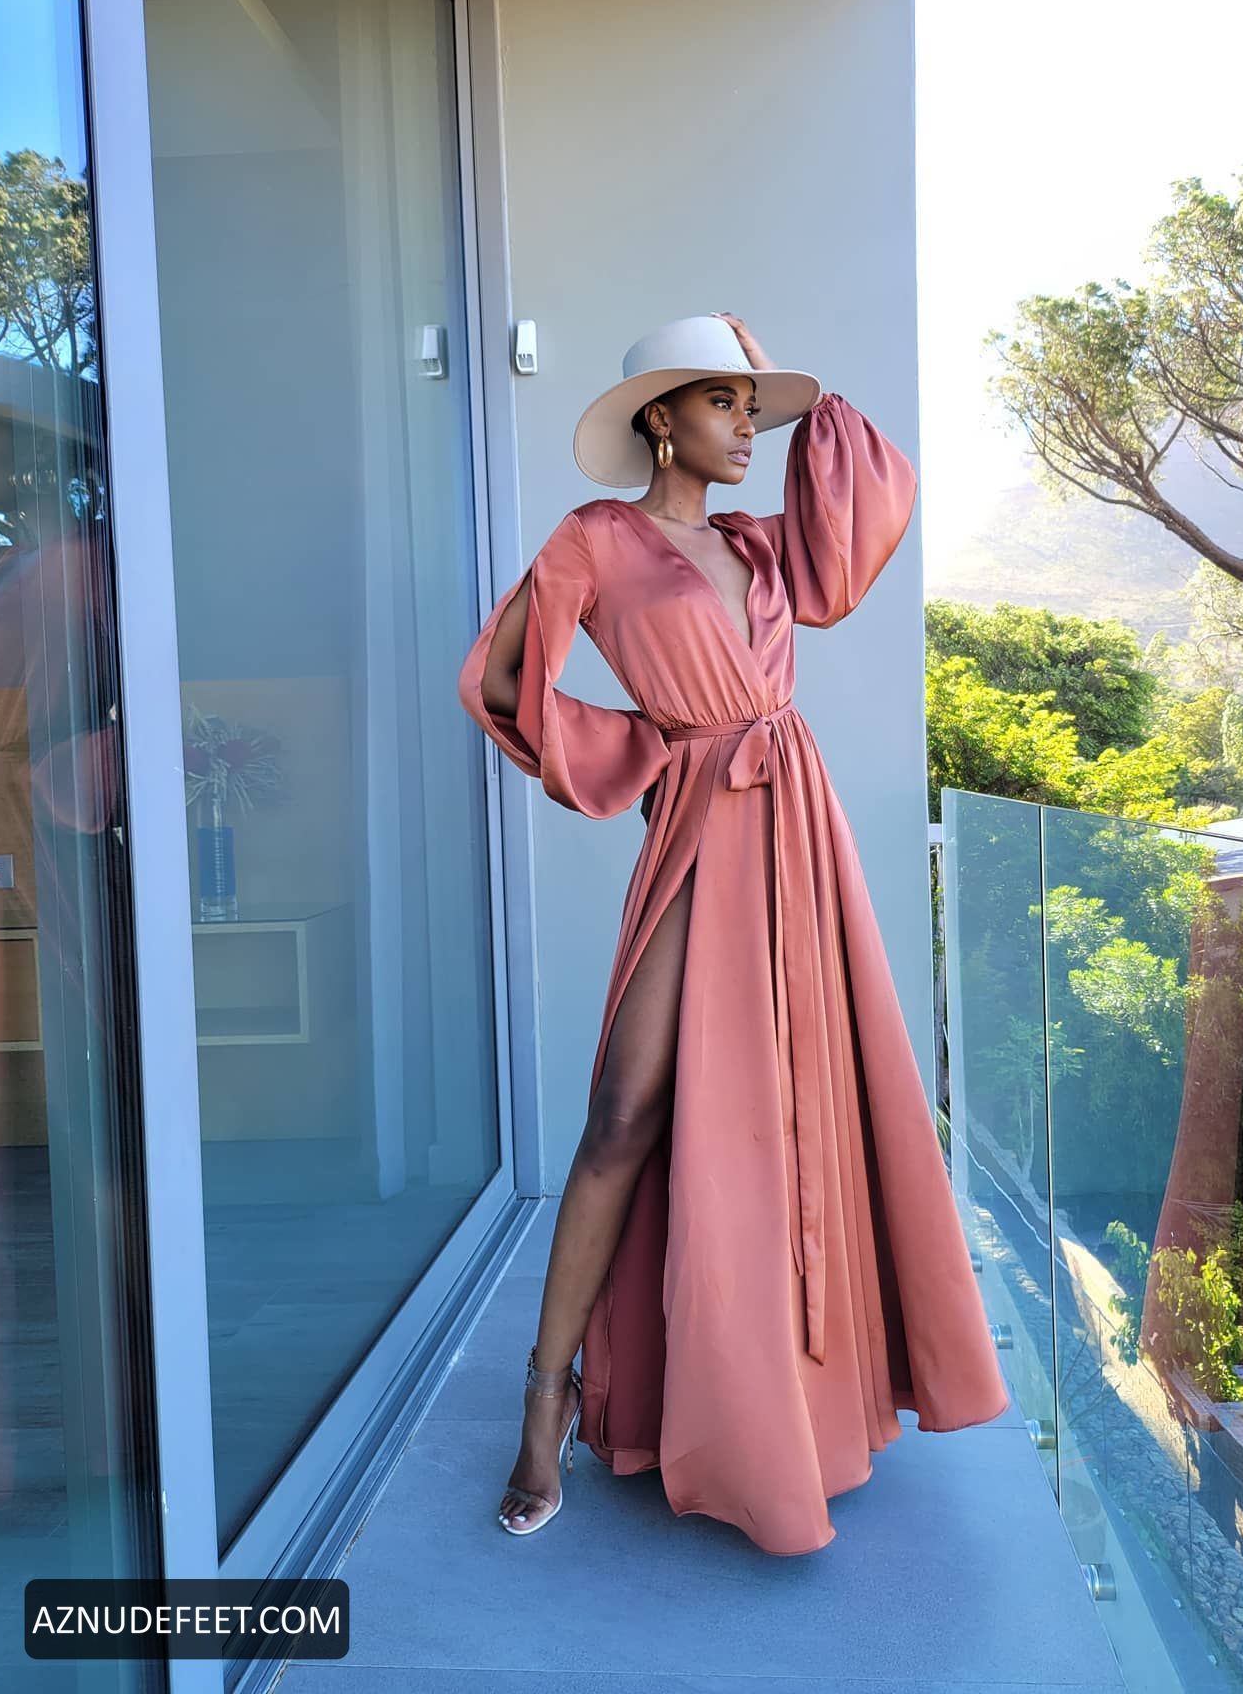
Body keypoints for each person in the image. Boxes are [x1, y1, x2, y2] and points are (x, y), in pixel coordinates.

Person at [458, 312, 1010, 1554]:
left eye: (756, 410)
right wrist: (644, 750)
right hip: (702, 827)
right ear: (660, 417)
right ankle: (546, 1399)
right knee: (625, 1113)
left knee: (796, 1114)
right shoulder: (595, 540)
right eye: (723, 403)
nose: (748, 429)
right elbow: (498, 682)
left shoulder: (761, 545)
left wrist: (807, 404)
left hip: (794, 829)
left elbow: (854, 532)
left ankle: (796, 1410)